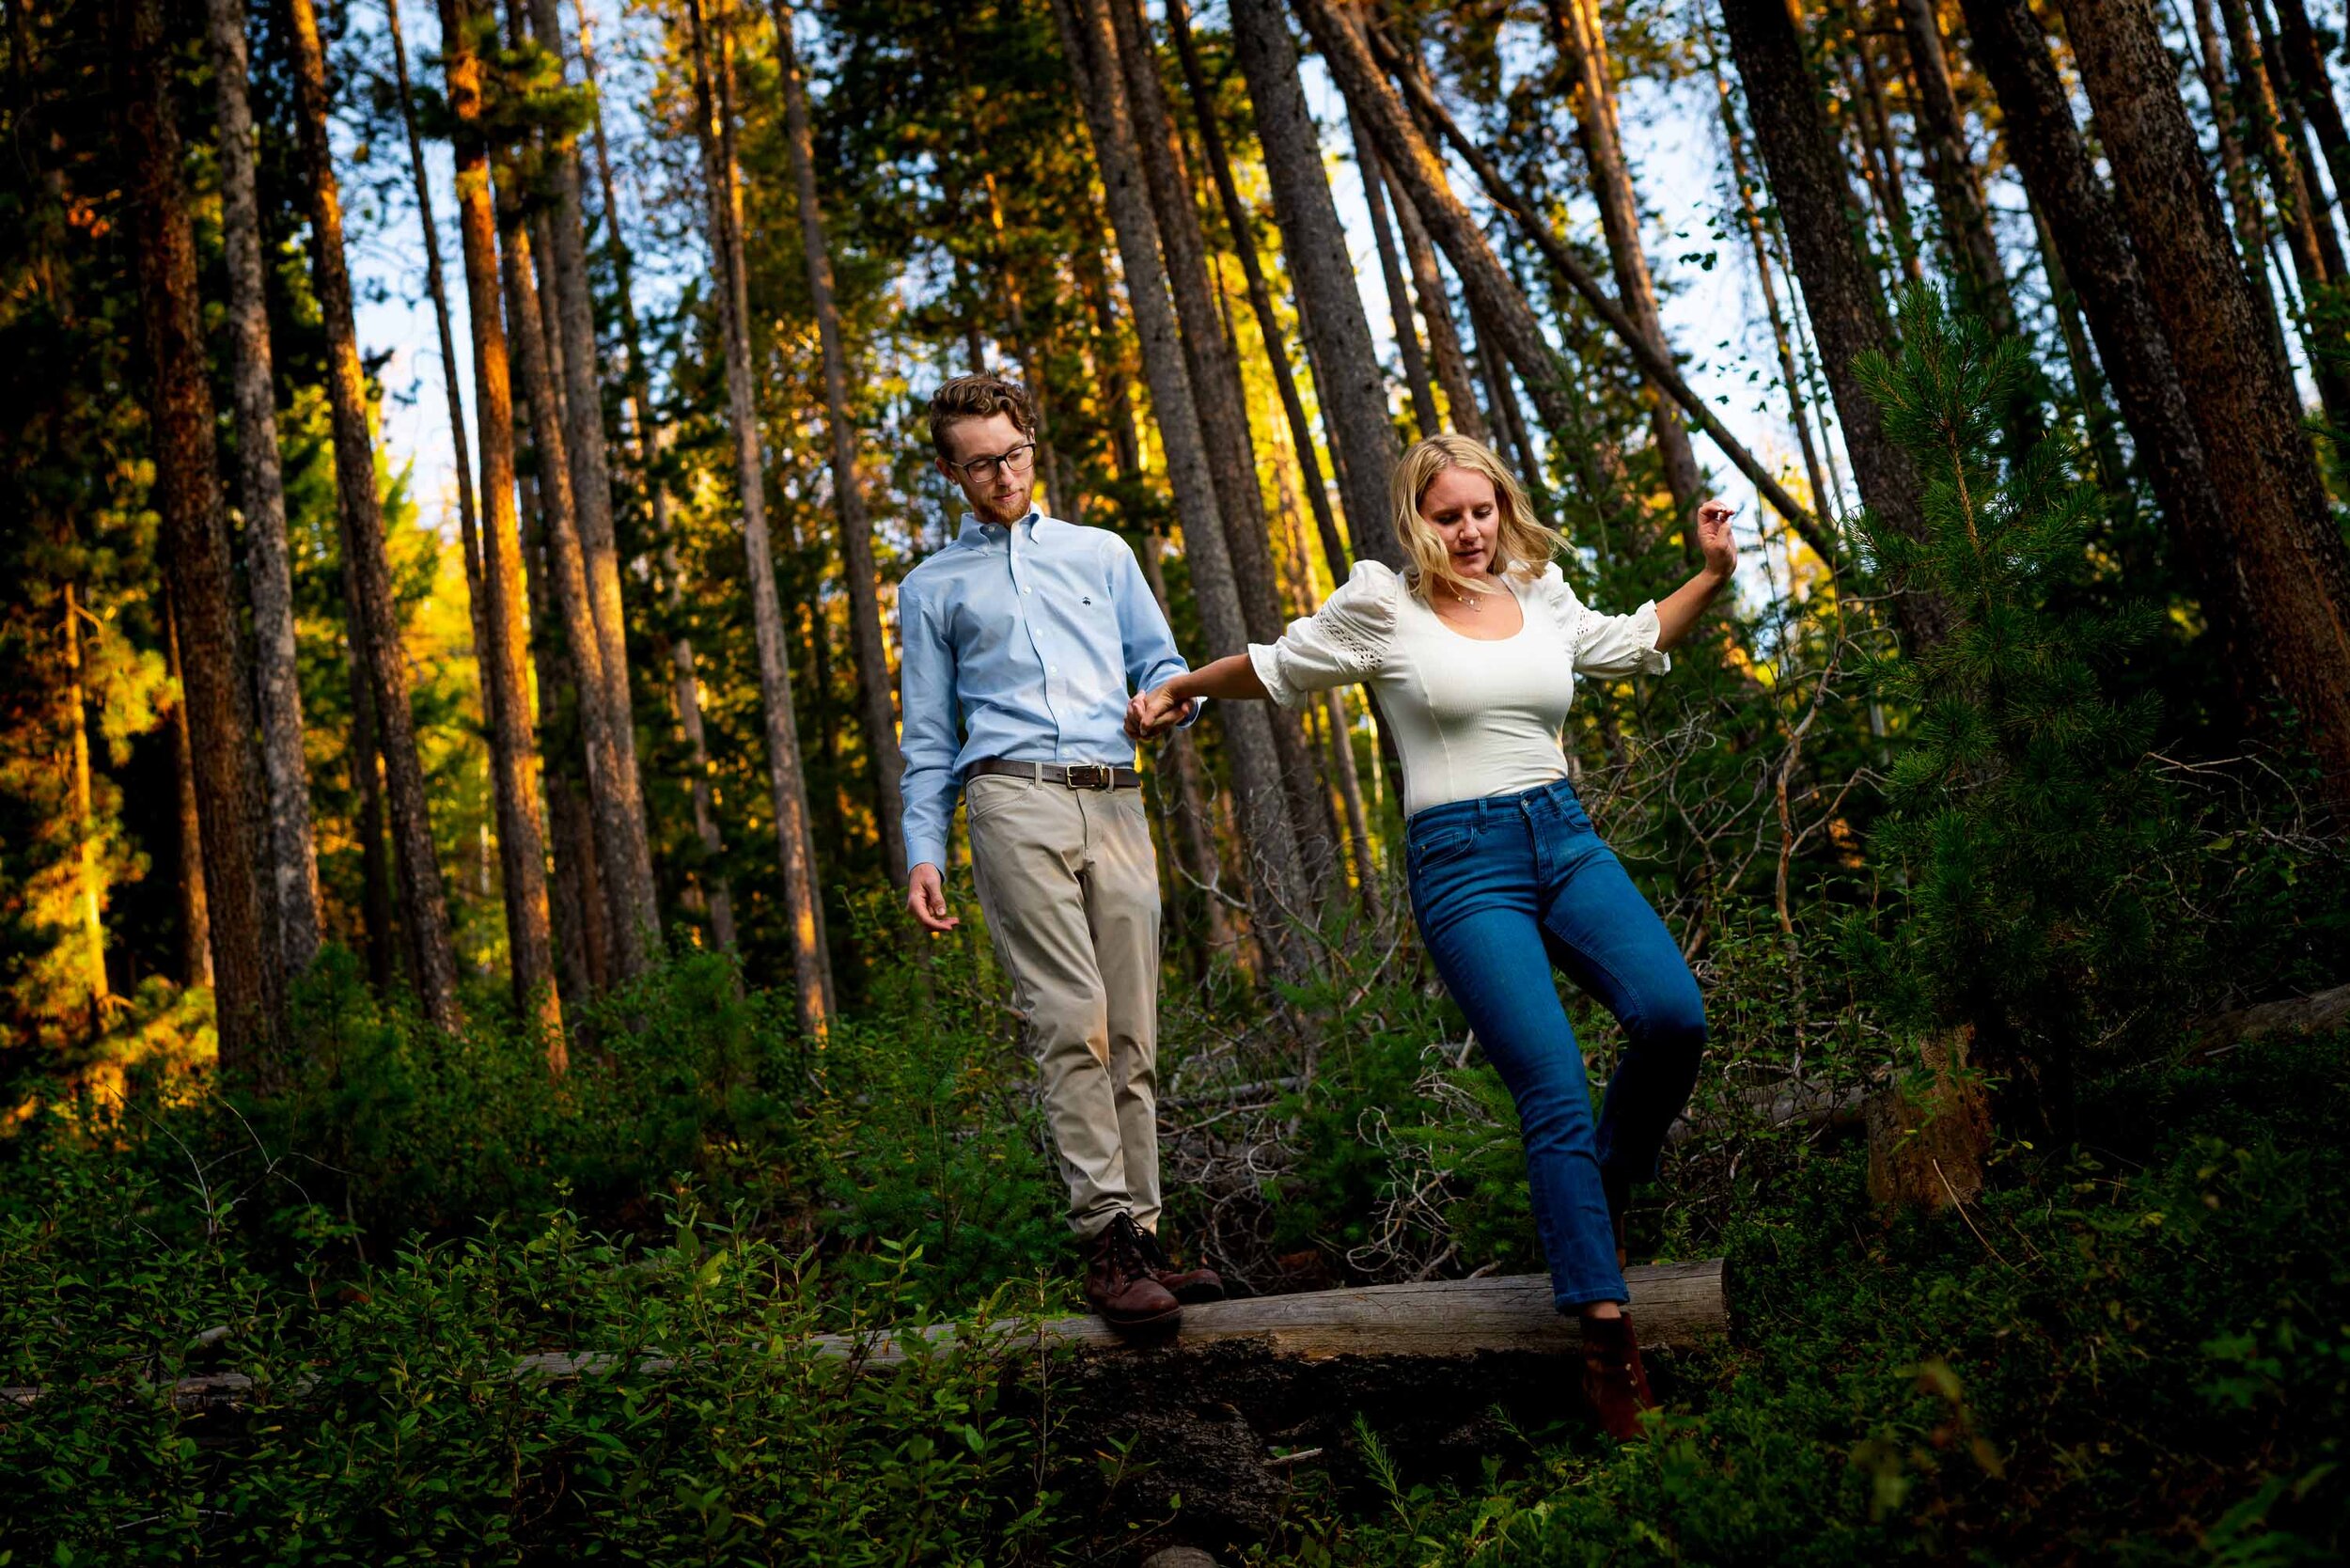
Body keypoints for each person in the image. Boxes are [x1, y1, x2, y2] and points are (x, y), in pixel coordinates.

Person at [1128, 433, 1735, 1435]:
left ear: (1503, 508)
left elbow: (1632, 641)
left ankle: (1601, 1191)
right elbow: (1276, 667)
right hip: (1461, 862)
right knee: (1549, 1080)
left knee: (1672, 1017)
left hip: (1564, 834)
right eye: (1447, 515)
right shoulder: (1385, 609)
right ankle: (1605, 1337)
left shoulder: (1537, 591)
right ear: (1418, 519)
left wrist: (1708, 575)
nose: (1468, 531)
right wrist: (1186, 686)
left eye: (1481, 511)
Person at [897, 373, 1223, 1332]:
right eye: (979, 464)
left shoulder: (1101, 553)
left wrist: (1172, 696)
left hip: (1115, 798)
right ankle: (1104, 1243)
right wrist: (925, 849)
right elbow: (926, 735)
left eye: (1013, 453)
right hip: (1009, 801)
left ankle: (1149, 1242)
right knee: (1070, 1020)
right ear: (951, 473)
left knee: (1132, 1031)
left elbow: (1159, 662)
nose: (1001, 476)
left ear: (1031, 446)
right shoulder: (930, 588)